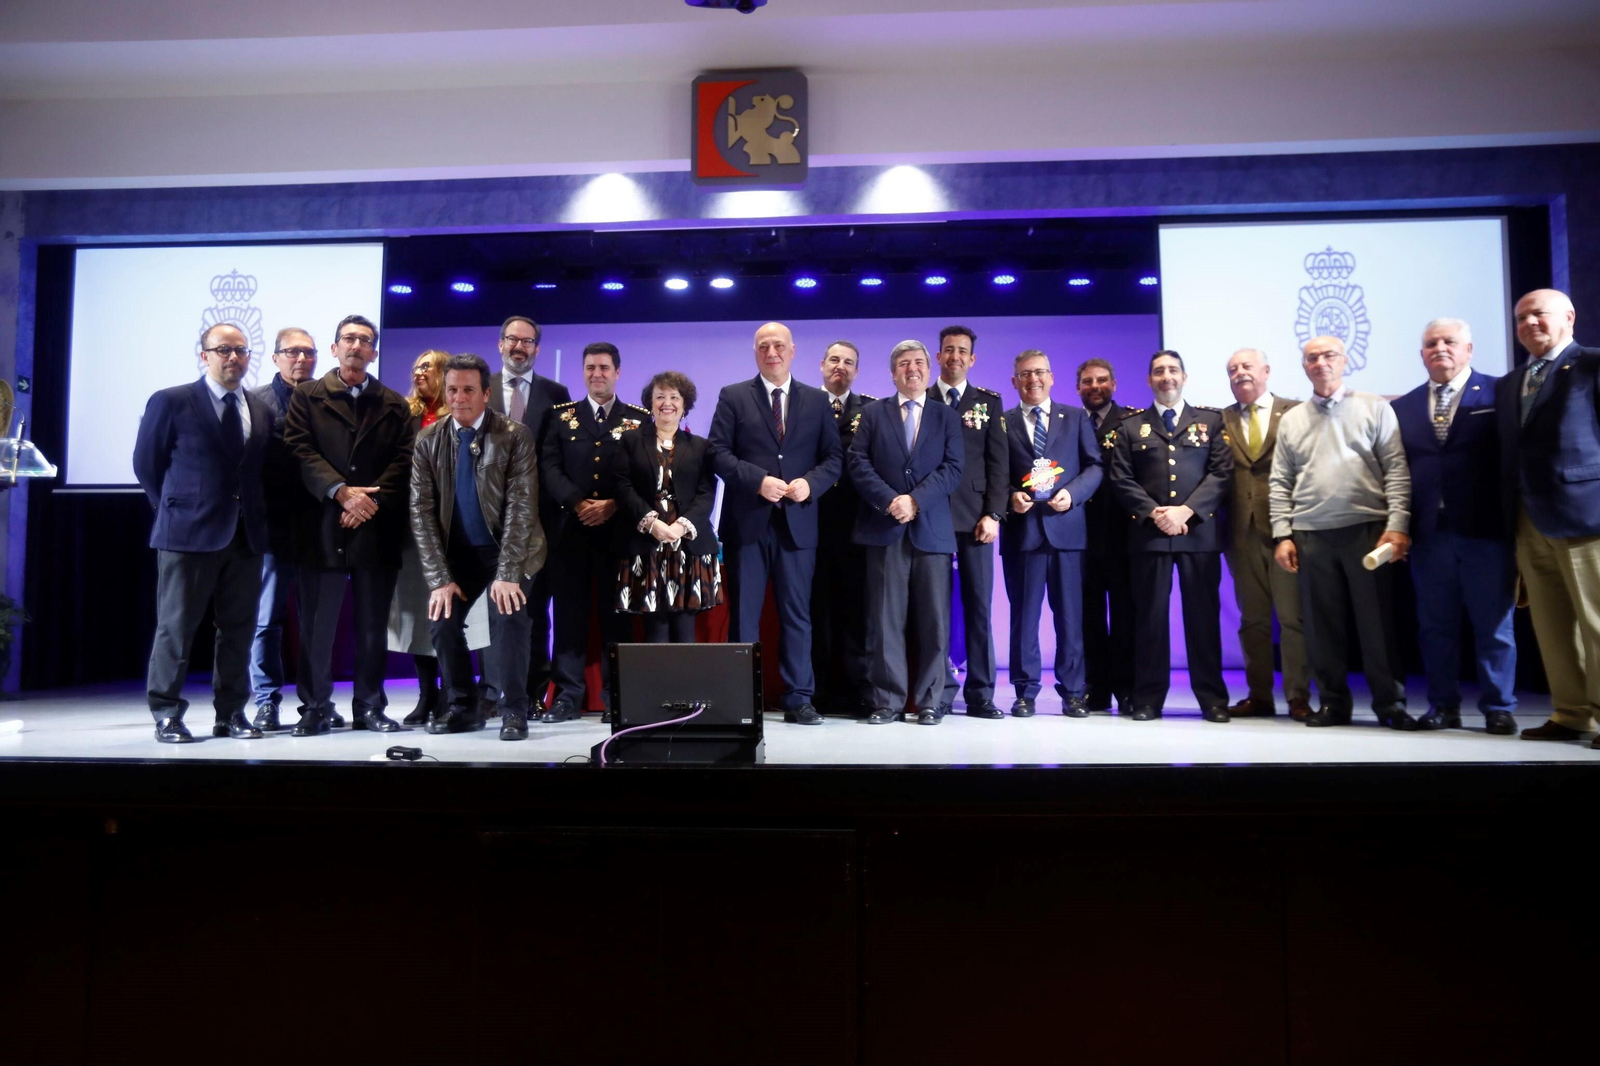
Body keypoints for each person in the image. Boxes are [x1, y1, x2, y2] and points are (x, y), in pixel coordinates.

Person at [133, 323, 273, 743]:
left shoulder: (259, 408)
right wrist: (173, 511)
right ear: (204, 355)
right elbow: (146, 464)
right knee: (176, 628)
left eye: (241, 350)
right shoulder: (172, 401)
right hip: (186, 534)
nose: (233, 357)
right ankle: (166, 714)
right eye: (223, 349)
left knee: (238, 630)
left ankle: (230, 713)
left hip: (245, 536)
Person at [1270, 335, 1416, 730]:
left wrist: (1398, 524)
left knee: (1378, 626)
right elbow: (1280, 480)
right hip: (1311, 534)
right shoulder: (1293, 419)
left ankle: (1390, 704)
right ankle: (1333, 704)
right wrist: (1283, 534)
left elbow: (1397, 470)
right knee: (1321, 628)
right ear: (1304, 367)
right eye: (1312, 357)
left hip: (1368, 531)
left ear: (1344, 360)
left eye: (1329, 355)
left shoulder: (1375, 408)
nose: (1320, 363)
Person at [282, 313, 415, 736]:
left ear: (374, 352)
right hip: (321, 526)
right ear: (335, 348)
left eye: (365, 340)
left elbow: (406, 460)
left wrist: (366, 503)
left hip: (375, 529)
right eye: (348, 339)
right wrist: (341, 491)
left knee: (372, 628)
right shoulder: (307, 396)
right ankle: (315, 708)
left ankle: (370, 707)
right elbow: (299, 449)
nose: (356, 346)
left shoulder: (394, 403)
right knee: (317, 628)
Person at [708, 322, 843, 725]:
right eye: (764, 346)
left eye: (779, 345)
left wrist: (810, 484)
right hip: (748, 523)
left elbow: (834, 459)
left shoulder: (818, 401)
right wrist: (758, 481)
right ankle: (741, 697)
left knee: (797, 615)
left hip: (798, 525)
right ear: (755, 352)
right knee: (745, 616)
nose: (772, 352)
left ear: (793, 350)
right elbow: (717, 452)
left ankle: (799, 698)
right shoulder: (733, 396)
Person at [411, 354, 547, 740]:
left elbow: (522, 508)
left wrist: (507, 575)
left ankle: (513, 711)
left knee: (508, 616)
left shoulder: (515, 435)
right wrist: (439, 579)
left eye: (468, 390)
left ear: (486, 394)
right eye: (452, 390)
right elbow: (419, 513)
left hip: (513, 550)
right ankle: (462, 706)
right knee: (441, 618)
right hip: (460, 555)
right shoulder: (427, 440)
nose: (459, 398)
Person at [1393, 319, 1517, 735]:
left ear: (1469, 348)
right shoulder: (1404, 406)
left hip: (1486, 531)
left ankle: (1498, 706)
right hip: (1429, 534)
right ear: (1422, 353)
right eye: (1431, 343)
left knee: (1493, 624)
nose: (1440, 348)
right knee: (1435, 627)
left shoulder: (1500, 392)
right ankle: (1443, 706)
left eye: (1449, 341)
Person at [1493, 289, 1600, 749]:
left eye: (1539, 313)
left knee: (1596, 621)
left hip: (1586, 514)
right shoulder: (1509, 382)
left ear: (1569, 317)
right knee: (1551, 625)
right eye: (1521, 317)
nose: (1530, 322)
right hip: (1528, 518)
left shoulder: (1592, 364)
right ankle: (1572, 714)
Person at [1107, 350, 1232, 722]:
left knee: (1203, 619)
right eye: (1159, 371)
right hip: (1150, 535)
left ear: (1184, 377)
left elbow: (1221, 473)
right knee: (1150, 620)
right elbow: (1121, 478)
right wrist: (1154, 514)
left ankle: (1212, 699)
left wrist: (1186, 512)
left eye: (1173, 370)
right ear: (1149, 380)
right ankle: (1148, 699)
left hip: (1198, 534)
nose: (1167, 377)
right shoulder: (1131, 426)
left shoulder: (1211, 421)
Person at [848, 341, 964, 725]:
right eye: (903, 363)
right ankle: (888, 701)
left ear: (928, 372)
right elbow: (858, 462)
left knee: (934, 622)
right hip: (883, 529)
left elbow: (953, 468)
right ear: (893, 372)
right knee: (885, 620)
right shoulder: (872, 413)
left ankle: (931, 700)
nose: (911, 369)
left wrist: (915, 501)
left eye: (918, 363)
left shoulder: (945, 416)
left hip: (931, 531)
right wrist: (890, 500)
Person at [539, 342, 647, 722]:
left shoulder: (638, 419)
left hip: (619, 533)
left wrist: (614, 505)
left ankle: (619, 696)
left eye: (604, 367)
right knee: (569, 616)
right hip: (571, 531)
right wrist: (578, 503)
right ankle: (568, 695)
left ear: (617, 372)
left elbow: (643, 473)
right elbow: (549, 468)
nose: (596, 374)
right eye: (589, 368)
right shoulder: (561, 416)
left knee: (617, 616)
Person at [999, 349, 1104, 717]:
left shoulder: (1074, 418)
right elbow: (994, 473)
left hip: (1067, 533)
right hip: (1023, 534)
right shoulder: (1003, 422)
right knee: (1024, 619)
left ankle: (1073, 692)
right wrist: (1010, 495)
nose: (1033, 380)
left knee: (1071, 618)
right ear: (1015, 381)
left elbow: (1094, 467)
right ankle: (1025, 692)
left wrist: (1072, 494)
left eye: (1040, 372)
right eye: (1025, 374)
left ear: (1052, 377)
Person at [1220, 347, 1312, 720]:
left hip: (1286, 532)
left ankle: (1298, 697)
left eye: (1247, 366)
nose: (1240, 372)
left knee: (1292, 619)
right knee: (1252, 620)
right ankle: (1259, 695)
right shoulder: (1218, 419)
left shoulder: (1297, 411)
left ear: (1267, 371)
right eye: (1232, 369)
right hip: (1240, 534)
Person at [487, 316, 572, 714]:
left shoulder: (557, 394)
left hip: (539, 522)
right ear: (500, 343)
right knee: (489, 610)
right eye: (512, 340)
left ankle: (533, 692)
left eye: (527, 341)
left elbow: (558, 458)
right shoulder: (480, 387)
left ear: (538, 348)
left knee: (535, 609)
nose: (519, 347)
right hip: (484, 519)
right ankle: (493, 692)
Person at [930, 326, 1007, 720]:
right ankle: (940, 692)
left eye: (962, 351)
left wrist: (994, 514)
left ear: (972, 359)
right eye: (948, 350)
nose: (955, 356)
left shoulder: (988, 403)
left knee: (979, 610)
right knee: (935, 611)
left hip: (978, 522)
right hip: (932, 518)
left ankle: (981, 694)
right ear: (938, 356)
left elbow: (999, 464)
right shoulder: (921, 398)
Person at [613, 371, 723, 642]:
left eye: (675, 397)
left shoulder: (700, 446)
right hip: (646, 543)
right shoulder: (631, 441)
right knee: (655, 626)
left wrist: (681, 526)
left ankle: (686, 685)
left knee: (686, 625)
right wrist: (653, 523)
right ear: (650, 403)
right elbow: (622, 485)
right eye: (660, 396)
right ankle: (656, 685)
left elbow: (706, 491)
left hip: (688, 545)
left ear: (685, 405)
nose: (667, 402)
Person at [246, 326, 316, 732]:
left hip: (316, 528)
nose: (300, 359)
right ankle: (266, 701)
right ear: (275, 358)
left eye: (307, 352)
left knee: (315, 623)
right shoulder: (254, 400)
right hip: (270, 528)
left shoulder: (326, 399)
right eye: (292, 352)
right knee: (266, 620)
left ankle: (314, 702)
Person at [810, 341, 876, 717]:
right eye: (834, 360)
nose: (841, 367)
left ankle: (857, 692)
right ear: (821, 365)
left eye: (849, 362)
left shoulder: (871, 409)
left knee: (856, 611)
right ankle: (818, 691)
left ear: (856, 370)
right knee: (816, 612)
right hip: (811, 523)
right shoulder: (802, 404)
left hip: (857, 525)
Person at [389, 349, 451, 726]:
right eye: (415, 366)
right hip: (412, 532)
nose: (418, 372)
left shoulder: (459, 416)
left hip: (449, 531)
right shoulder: (404, 415)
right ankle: (426, 693)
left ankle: (453, 693)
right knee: (419, 614)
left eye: (427, 366)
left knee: (449, 617)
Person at [1075, 357, 1135, 714]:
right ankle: (1095, 689)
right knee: (1089, 618)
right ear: (1078, 387)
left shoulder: (1132, 422)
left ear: (1113, 384)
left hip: (1122, 534)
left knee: (1127, 616)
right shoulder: (1068, 423)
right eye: (1086, 381)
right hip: (1080, 536)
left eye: (1101, 380)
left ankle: (1127, 688)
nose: (1094, 386)